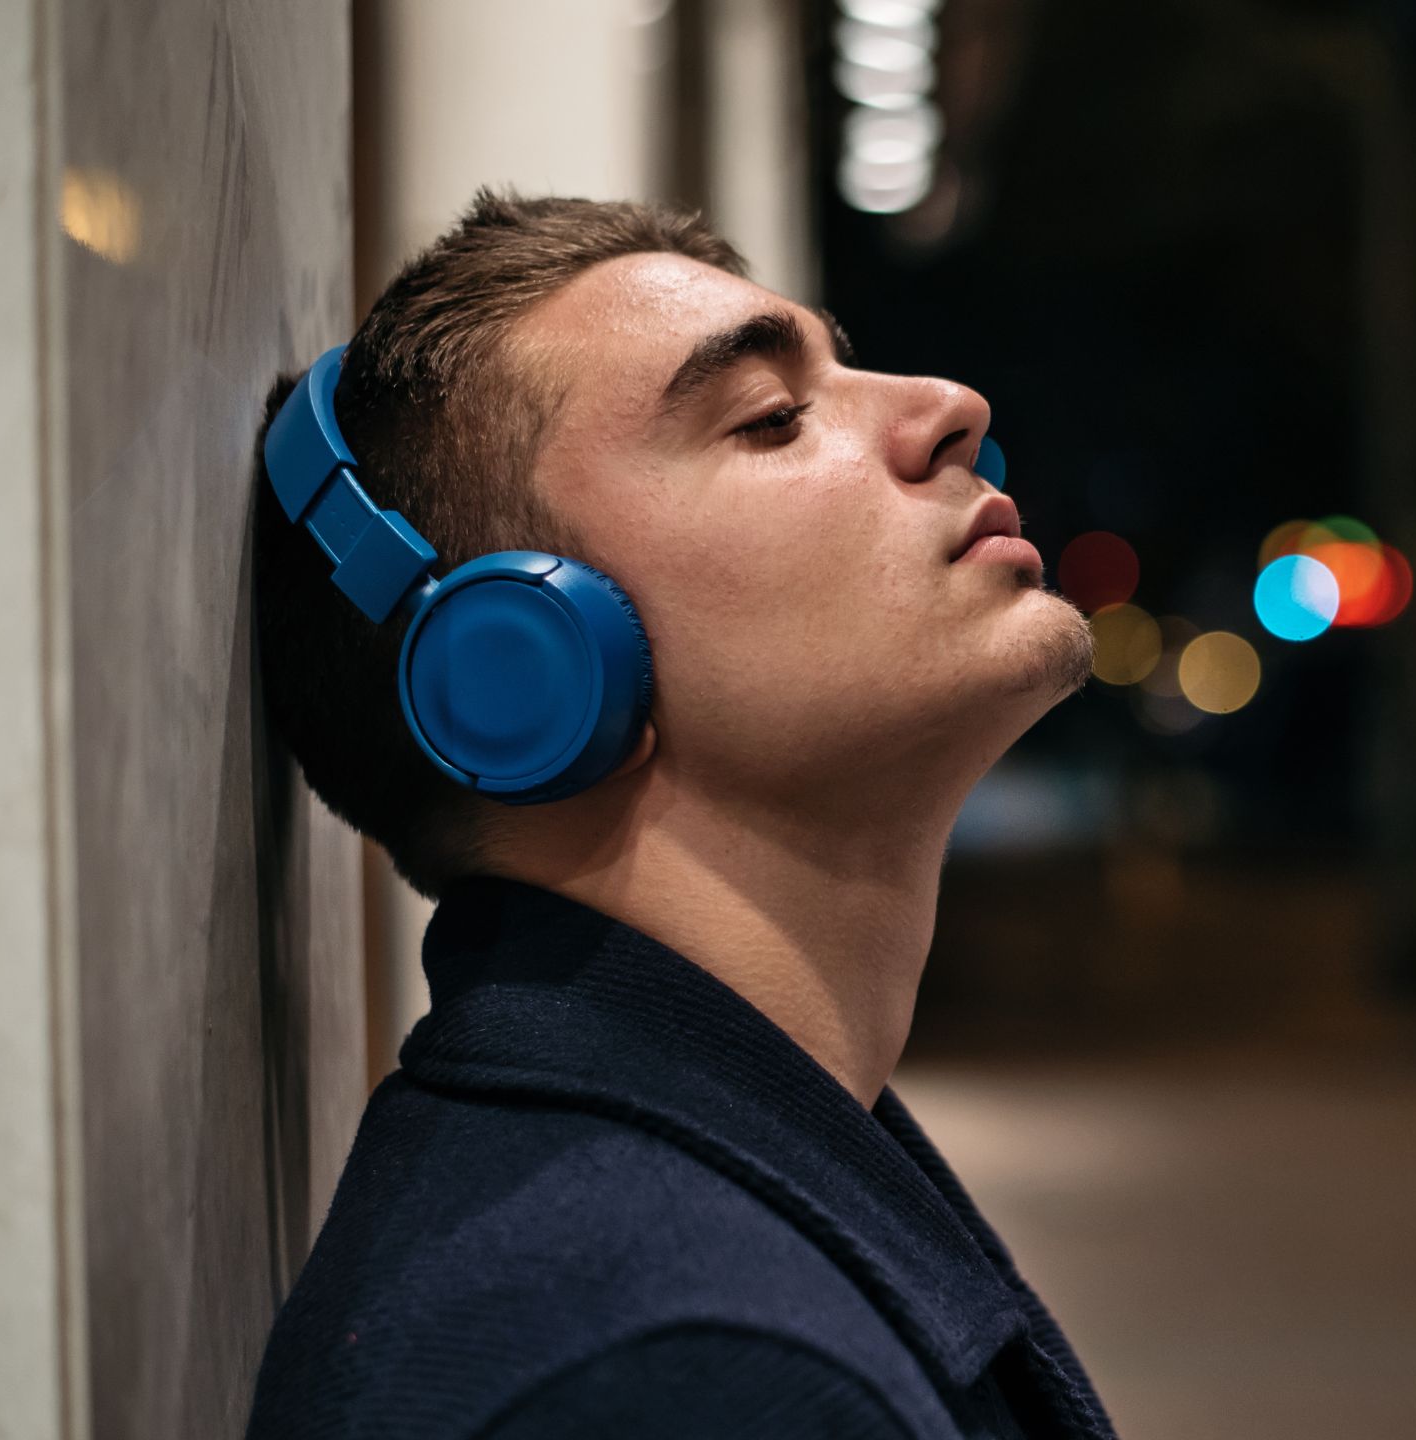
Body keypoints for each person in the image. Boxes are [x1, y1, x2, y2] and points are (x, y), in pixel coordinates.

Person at [245, 190, 1110, 1439]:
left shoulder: (670, 1225)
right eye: (770, 420)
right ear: (524, 669)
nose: (945, 406)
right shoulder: (677, 1376)